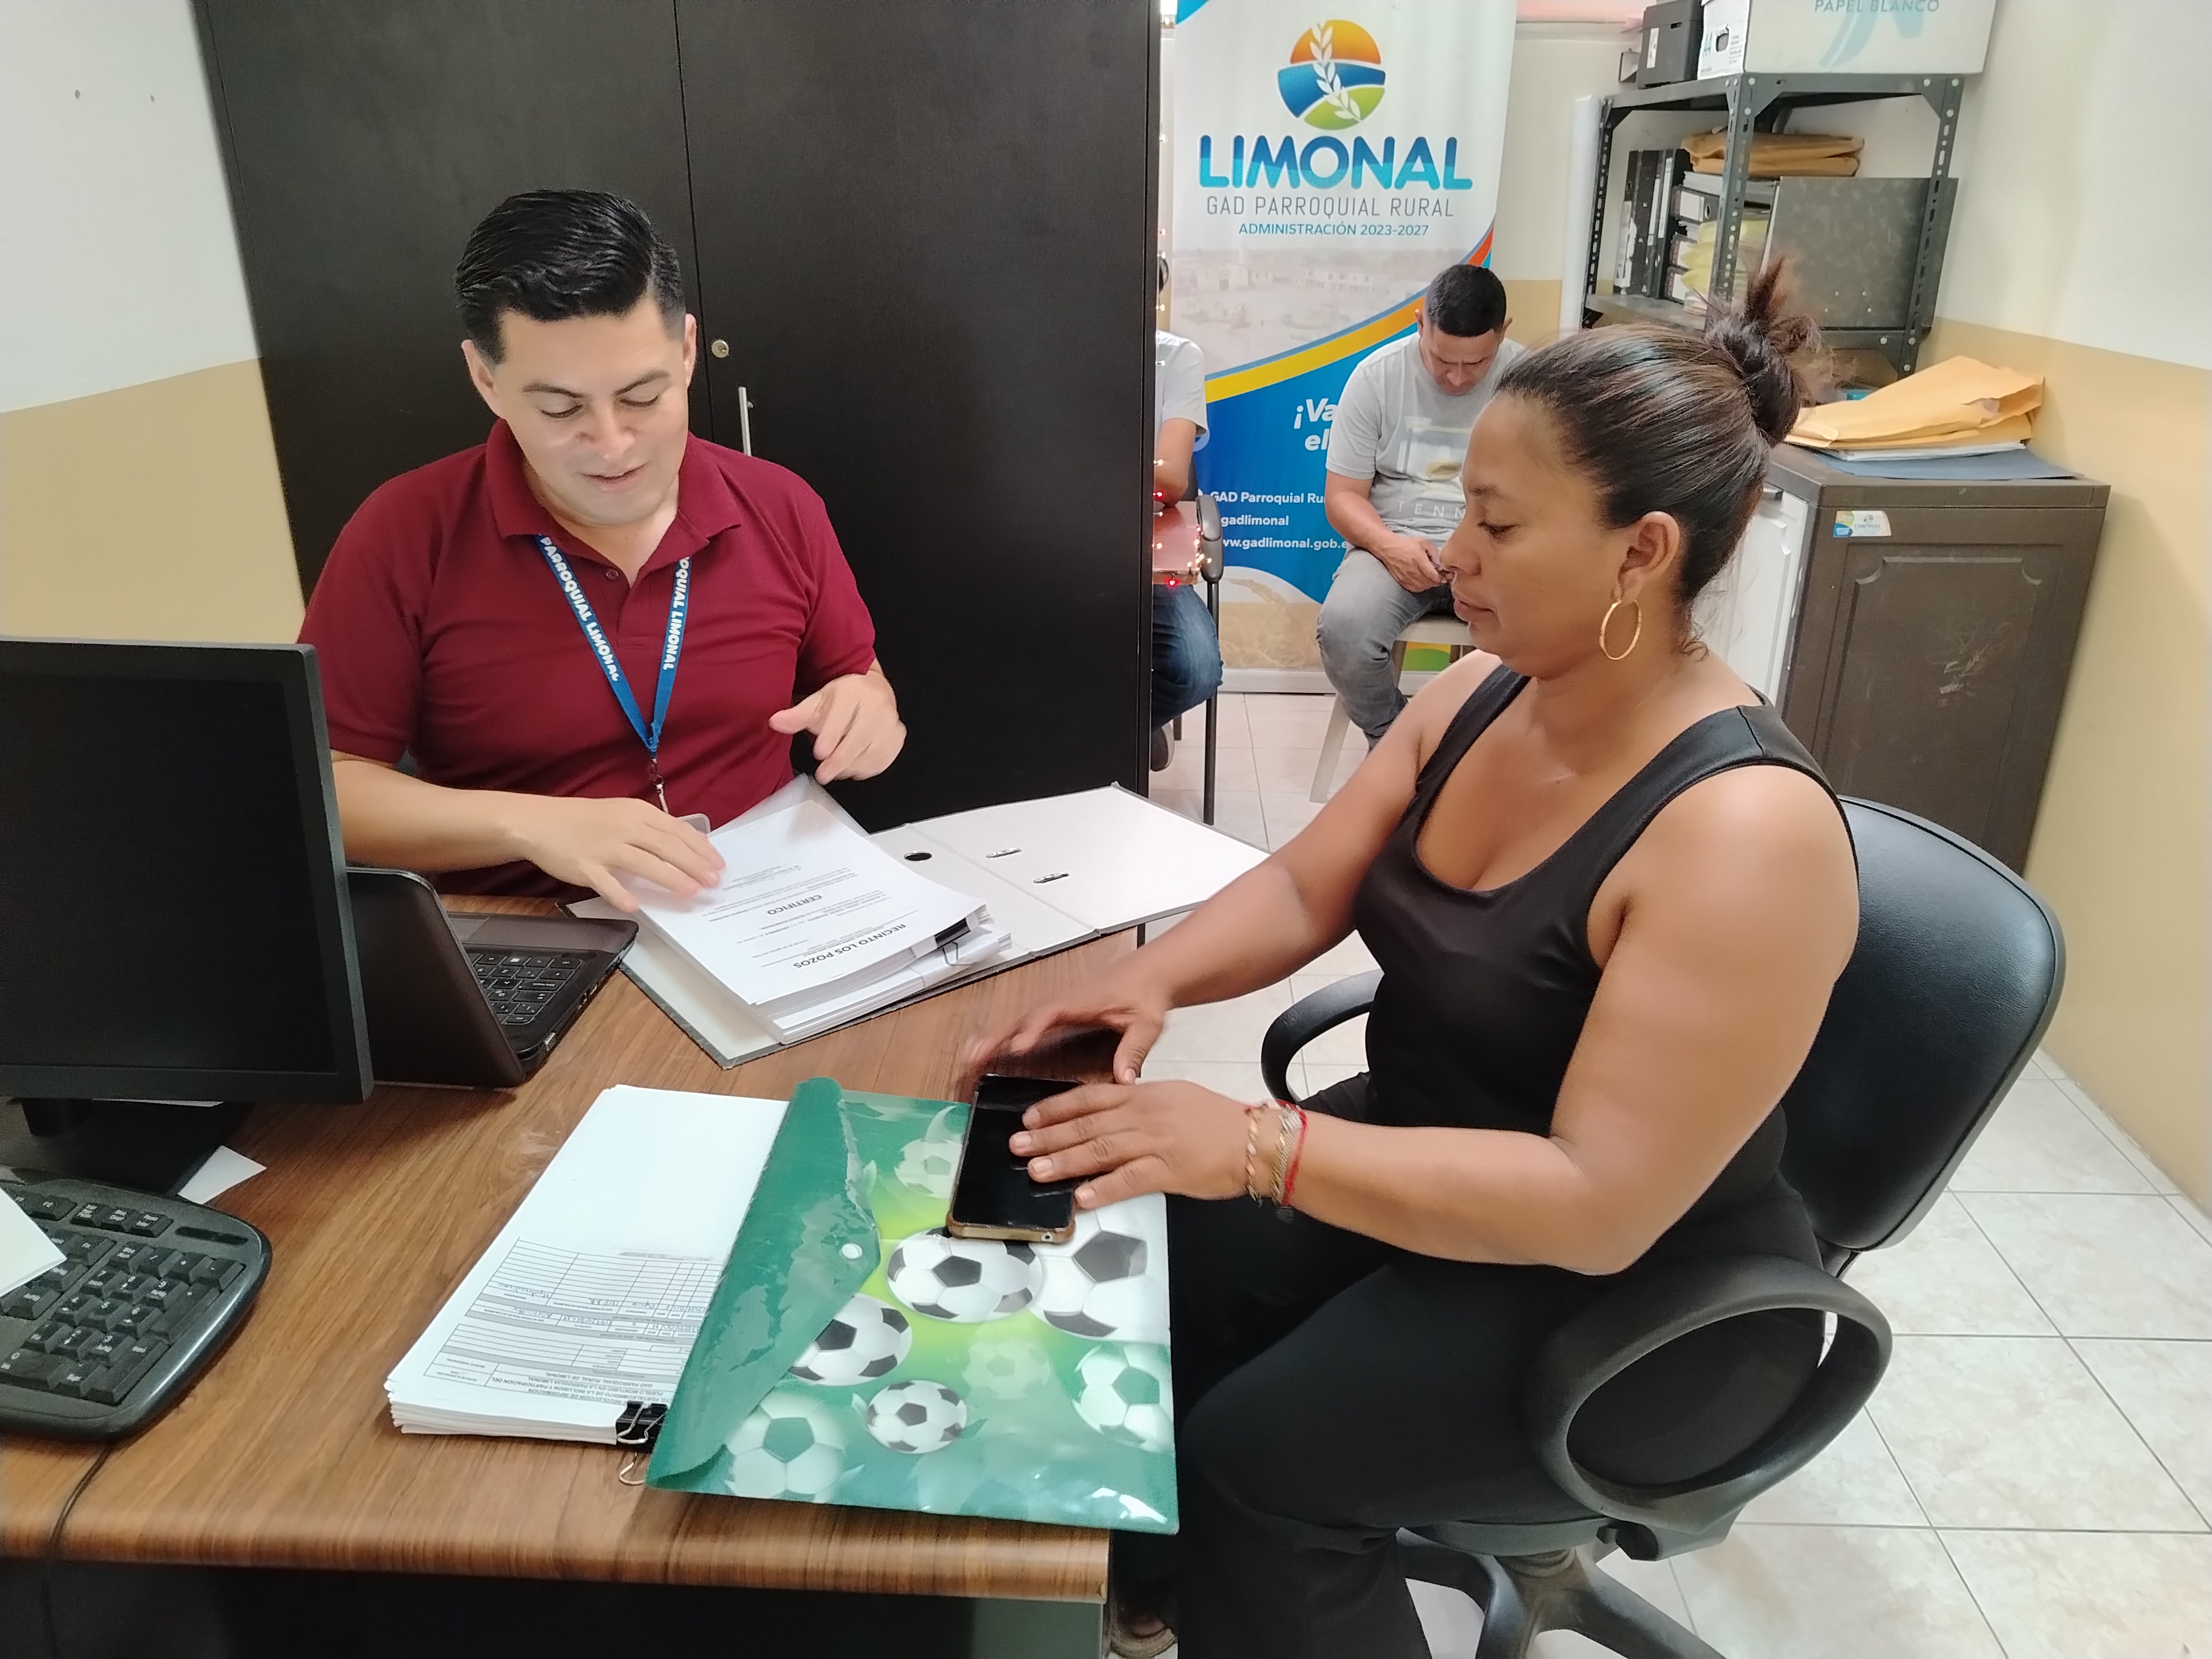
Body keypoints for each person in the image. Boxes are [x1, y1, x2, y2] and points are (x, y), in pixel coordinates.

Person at [967, 269, 1857, 1659]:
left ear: (1640, 553)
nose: (1453, 552)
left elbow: (1595, 1203)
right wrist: (1152, 980)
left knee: (1258, 1466)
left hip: (1627, 1290)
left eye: (1497, 523)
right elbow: (1304, 882)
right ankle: (1158, 1597)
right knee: (1151, 1272)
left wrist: (1257, 1144)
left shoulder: (1742, 833)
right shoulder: (1485, 690)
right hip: (1437, 1153)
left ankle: (1232, 1571)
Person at [299, 189, 904, 909]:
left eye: (642, 397)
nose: (612, 444)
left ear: (687, 351)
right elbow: (326, 786)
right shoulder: (405, 534)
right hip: (534, 928)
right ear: (486, 379)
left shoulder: (778, 504)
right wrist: (530, 824)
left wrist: (870, 710)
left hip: (762, 905)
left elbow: (856, 675)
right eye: (560, 409)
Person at [1318, 262, 1526, 743]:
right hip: (1395, 543)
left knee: (1549, 630)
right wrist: (1388, 546)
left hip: (1493, 549)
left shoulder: (1532, 386)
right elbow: (1342, 496)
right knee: (1345, 630)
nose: (1456, 378)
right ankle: (1398, 742)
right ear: (1420, 324)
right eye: (1441, 359)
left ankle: (1483, 752)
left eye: (1476, 364)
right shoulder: (1377, 378)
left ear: (1503, 333)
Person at [1151, 267, 1223, 768]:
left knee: (1196, 668)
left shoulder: (1176, 357)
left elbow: (1170, 480)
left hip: (1149, 551)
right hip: (1056, 547)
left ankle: (1131, 722)